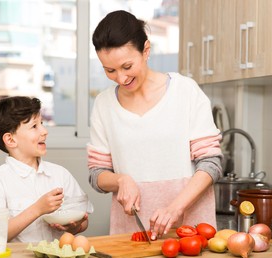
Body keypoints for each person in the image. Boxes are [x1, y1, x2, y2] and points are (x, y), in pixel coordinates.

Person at [87, 10, 223, 240]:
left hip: (189, 231)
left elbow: (211, 164)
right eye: (110, 70)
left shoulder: (185, 91)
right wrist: (120, 180)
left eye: (127, 66)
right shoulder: (103, 104)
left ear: (146, 51)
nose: (121, 78)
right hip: (132, 234)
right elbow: (97, 174)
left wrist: (176, 208)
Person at [0, 96, 93, 243]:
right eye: (34, 126)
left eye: (42, 123)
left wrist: (74, 227)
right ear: (11, 140)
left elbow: (84, 221)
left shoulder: (60, 174)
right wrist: (37, 209)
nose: (44, 131)